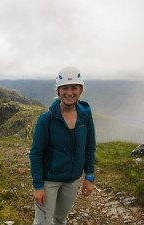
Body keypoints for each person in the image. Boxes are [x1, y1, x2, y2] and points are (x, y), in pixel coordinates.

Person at [29, 67, 96, 225]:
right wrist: (38, 186)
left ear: (80, 90)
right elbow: (36, 153)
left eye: (74, 87)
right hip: (49, 181)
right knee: (42, 222)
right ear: (58, 91)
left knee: (60, 220)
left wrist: (89, 176)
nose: (69, 92)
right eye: (64, 88)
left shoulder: (85, 116)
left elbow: (89, 147)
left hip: (72, 180)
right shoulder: (47, 119)